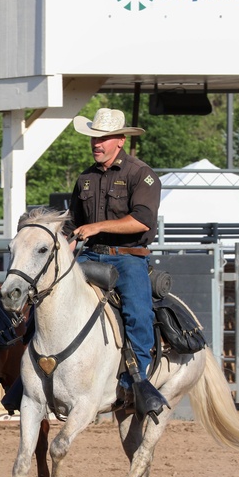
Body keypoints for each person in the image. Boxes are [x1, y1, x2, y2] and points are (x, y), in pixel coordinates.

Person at [64, 107, 169, 424]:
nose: (97, 143)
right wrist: (64, 252)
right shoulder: (84, 179)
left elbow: (142, 221)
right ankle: (30, 371)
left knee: (138, 312)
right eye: (94, 137)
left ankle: (138, 383)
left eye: (104, 138)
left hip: (127, 258)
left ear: (120, 140)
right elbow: (73, 225)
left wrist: (97, 228)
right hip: (88, 256)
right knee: (46, 298)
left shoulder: (142, 174)